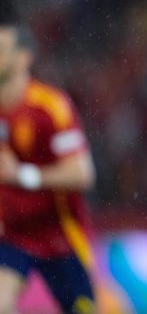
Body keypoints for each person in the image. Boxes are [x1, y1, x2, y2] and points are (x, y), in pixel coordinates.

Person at [0, 16, 97, 313]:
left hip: (59, 235)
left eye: (1, 48)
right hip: (11, 235)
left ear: (23, 57)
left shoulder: (49, 107)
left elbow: (82, 174)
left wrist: (22, 175)